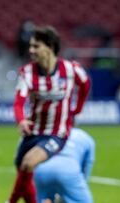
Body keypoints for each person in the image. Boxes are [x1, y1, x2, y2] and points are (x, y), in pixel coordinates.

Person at [7, 26, 91, 203]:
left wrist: (77, 108)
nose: (31, 50)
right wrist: (21, 120)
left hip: (57, 133)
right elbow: (18, 102)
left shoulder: (70, 69)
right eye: (31, 46)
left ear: (50, 47)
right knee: (22, 169)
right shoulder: (28, 72)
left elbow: (85, 84)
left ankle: (11, 200)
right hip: (33, 132)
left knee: (29, 163)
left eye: (36, 46)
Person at [34, 128, 95, 203]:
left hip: (41, 170)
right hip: (68, 171)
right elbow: (86, 168)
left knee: (42, 199)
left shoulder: (45, 133)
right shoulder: (85, 137)